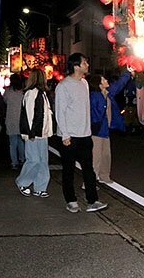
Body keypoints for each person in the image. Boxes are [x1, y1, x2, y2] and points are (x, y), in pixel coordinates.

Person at [55, 53, 107, 213]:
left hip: (85, 134)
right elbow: (59, 112)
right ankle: (71, 200)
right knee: (69, 170)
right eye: (84, 62)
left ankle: (93, 201)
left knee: (88, 169)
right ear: (76, 66)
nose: (87, 65)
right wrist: (64, 135)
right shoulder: (63, 86)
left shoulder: (84, 83)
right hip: (69, 136)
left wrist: (89, 130)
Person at [87, 67, 135, 184]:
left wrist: (128, 73)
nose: (106, 81)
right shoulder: (94, 96)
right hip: (96, 130)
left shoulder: (107, 93)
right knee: (96, 157)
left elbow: (119, 84)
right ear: (99, 85)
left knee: (106, 155)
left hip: (104, 130)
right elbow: (93, 115)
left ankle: (104, 176)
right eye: (103, 80)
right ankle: (90, 182)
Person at [16, 69, 54, 198]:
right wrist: (31, 133)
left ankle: (40, 187)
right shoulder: (32, 93)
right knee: (34, 160)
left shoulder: (40, 93)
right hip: (34, 133)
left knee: (42, 161)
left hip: (41, 133)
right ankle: (23, 182)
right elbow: (29, 115)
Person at [3, 73, 25, 170]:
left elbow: (5, 101)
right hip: (20, 119)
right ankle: (23, 159)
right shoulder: (22, 92)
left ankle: (14, 162)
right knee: (21, 141)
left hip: (11, 118)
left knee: (12, 143)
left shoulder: (8, 91)